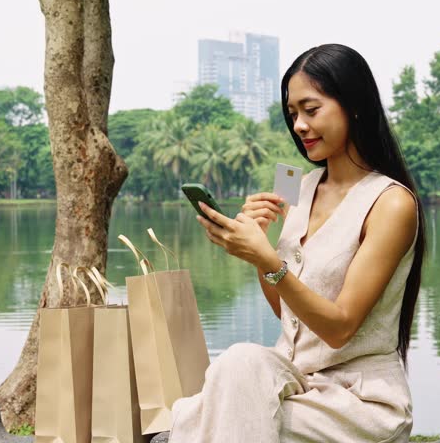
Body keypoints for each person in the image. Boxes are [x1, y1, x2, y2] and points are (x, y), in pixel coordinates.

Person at [167, 43, 426, 443]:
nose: (300, 125)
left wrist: (266, 258)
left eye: (311, 109)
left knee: (206, 415)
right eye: (292, 114)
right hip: (296, 385)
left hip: (356, 404)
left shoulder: (391, 203)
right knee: (238, 362)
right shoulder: (298, 187)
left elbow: (339, 329)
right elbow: (289, 316)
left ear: (353, 105)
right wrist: (259, 250)